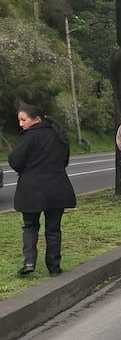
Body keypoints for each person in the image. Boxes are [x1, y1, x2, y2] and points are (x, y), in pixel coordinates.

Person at [9, 103, 76, 277]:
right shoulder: (59, 135)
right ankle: (54, 267)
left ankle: (29, 262)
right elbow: (65, 160)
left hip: (31, 189)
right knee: (53, 229)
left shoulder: (28, 137)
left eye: (23, 120)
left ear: (37, 119)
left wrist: (27, 170)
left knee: (30, 226)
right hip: (57, 187)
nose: (21, 124)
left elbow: (15, 160)